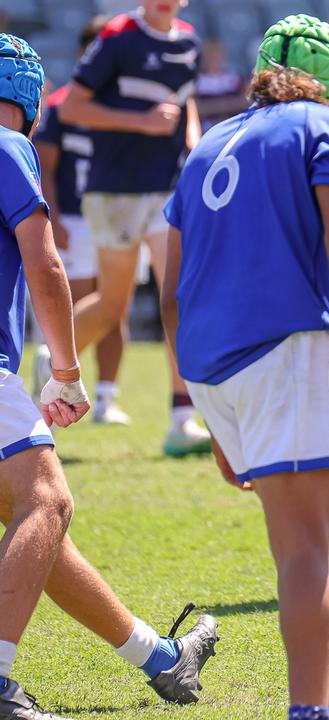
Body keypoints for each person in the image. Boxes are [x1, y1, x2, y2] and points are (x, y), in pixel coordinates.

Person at [161, 15, 329, 720]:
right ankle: (309, 713)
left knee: (326, 515)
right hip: (280, 350)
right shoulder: (324, 126)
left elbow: (168, 290)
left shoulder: (207, 146)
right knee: (304, 549)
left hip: (205, 363)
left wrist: (210, 415)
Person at [0, 32, 218, 720]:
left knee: (32, 525)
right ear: (28, 97)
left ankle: (161, 657)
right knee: (49, 505)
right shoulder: (8, 146)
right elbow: (46, 265)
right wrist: (66, 370)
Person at [55, 0, 210, 457]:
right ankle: (56, 360)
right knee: (110, 308)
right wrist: (140, 122)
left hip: (166, 190)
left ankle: (183, 419)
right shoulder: (117, 37)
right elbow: (73, 108)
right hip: (115, 191)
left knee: (177, 298)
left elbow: (186, 101)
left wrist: (195, 147)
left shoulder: (188, 40)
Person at [32, 15, 131, 425]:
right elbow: (47, 167)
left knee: (116, 307)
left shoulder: (125, 103)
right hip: (75, 216)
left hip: (115, 213)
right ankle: (61, 376)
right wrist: (54, 219)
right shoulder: (59, 107)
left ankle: (107, 396)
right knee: (88, 301)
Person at [193, 39, 247, 131]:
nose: (214, 58)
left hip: (233, 127)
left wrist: (211, 106)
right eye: (210, 55)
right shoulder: (197, 80)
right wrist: (230, 104)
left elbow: (246, 101)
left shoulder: (234, 77)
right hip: (205, 129)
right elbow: (195, 108)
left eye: (217, 54)